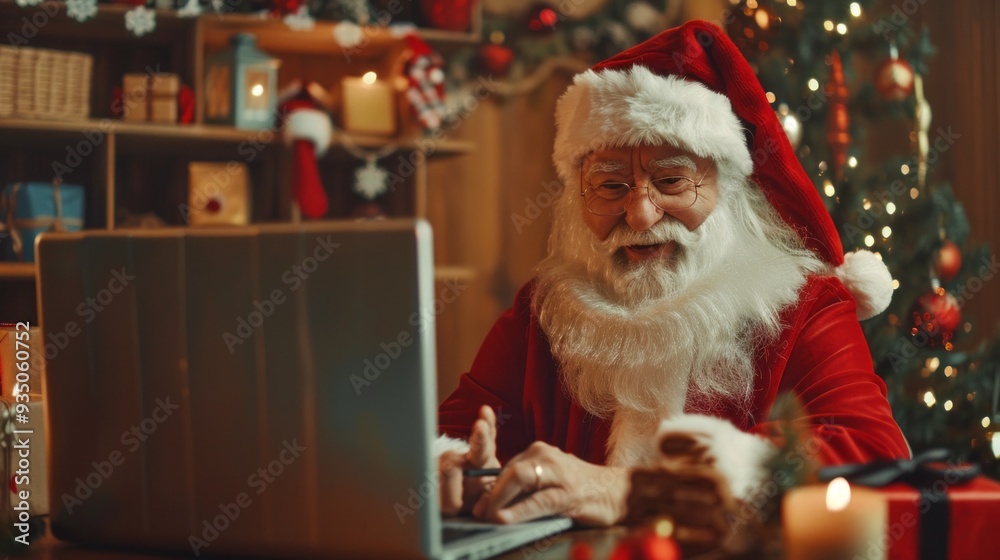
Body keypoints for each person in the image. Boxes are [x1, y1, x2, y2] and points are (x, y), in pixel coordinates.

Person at [435, 20, 910, 529]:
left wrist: (637, 489)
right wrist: (453, 470)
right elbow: (454, 430)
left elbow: (872, 454)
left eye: (671, 180)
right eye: (609, 186)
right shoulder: (547, 309)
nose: (639, 214)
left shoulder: (802, 303)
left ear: (727, 187)